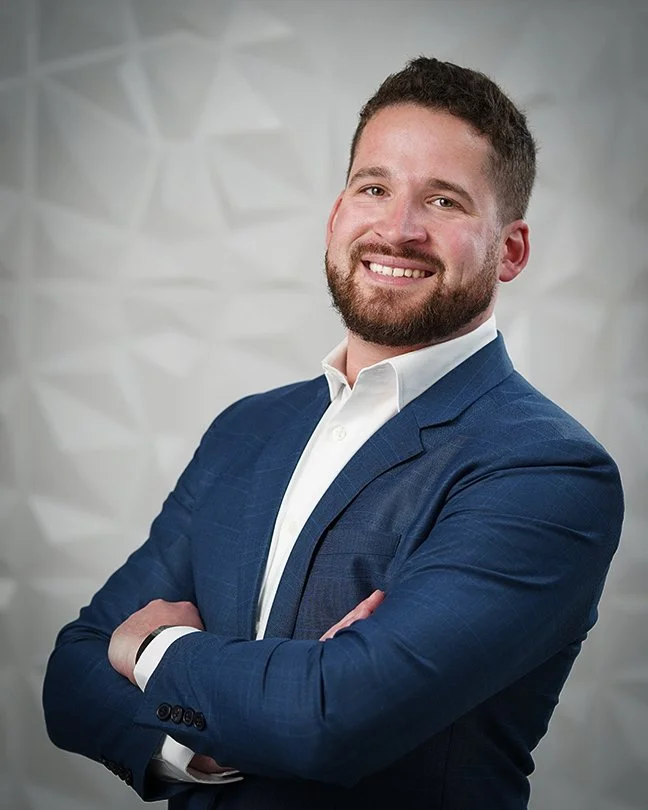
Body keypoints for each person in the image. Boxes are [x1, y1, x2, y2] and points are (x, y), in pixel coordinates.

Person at [42, 57, 624, 810]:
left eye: (444, 201)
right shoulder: (248, 430)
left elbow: (328, 719)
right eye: (374, 188)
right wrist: (198, 742)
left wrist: (155, 649)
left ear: (509, 250)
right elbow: (72, 674)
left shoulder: (544, 470)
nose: (399, 227)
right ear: (336, 215)